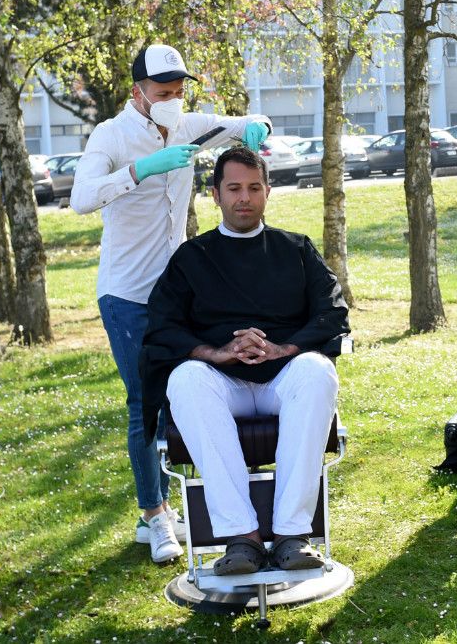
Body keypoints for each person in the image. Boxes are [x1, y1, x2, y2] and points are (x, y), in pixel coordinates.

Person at [70, 44, 272, 563]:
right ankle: (154, 516)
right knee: (146, 402)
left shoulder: (187, 124)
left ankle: (173, 501)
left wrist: (257, 130)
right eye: (164, 93)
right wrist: (140, 170)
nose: (174, 100)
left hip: (179, 293)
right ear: (138, 92)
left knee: (181, 396)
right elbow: (80, 198)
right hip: (127, 295)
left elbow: (252, 120)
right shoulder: (110, 136)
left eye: (180, 91)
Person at [140, 146, 349, 575]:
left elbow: (333, 312)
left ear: (268, 192)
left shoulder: (295, 249)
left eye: (254, 188)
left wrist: (284, 349)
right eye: (233, 188)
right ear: (215, 195)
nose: (244, 198)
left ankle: (293, 534)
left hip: (282, 381)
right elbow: (162, 326)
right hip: (223, 384)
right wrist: (217, 353)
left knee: (317, 370)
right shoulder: (191, 258)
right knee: (184, 379)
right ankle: (242, 538)